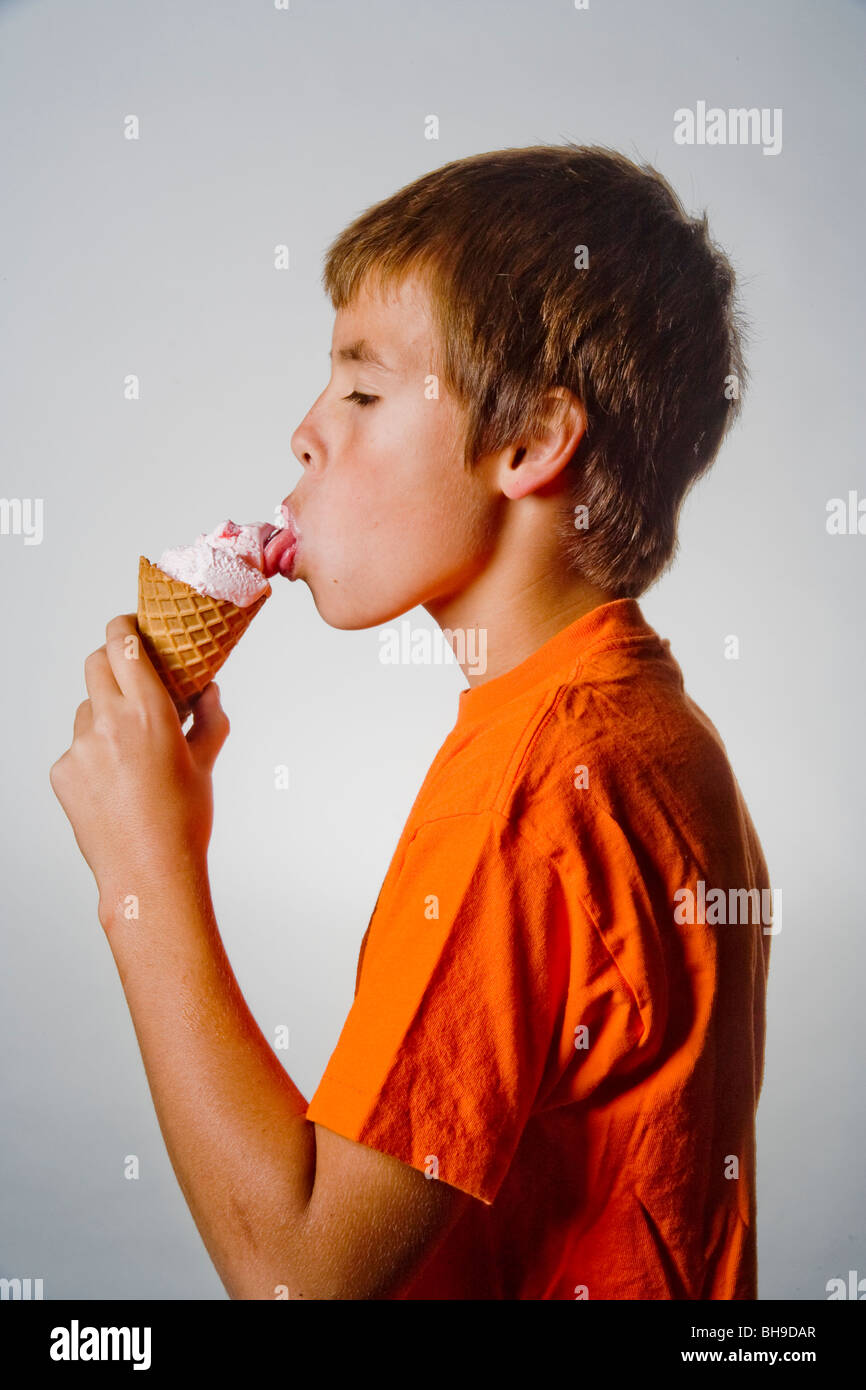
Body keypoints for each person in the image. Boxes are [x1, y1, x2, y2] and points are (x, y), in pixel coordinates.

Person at [50, 143, 771, 1299]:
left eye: (363, 389)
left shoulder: (526, 795)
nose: (304, 429)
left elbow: (299, 1271)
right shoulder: (648, 724)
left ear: (530, 443)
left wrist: (144, 870)